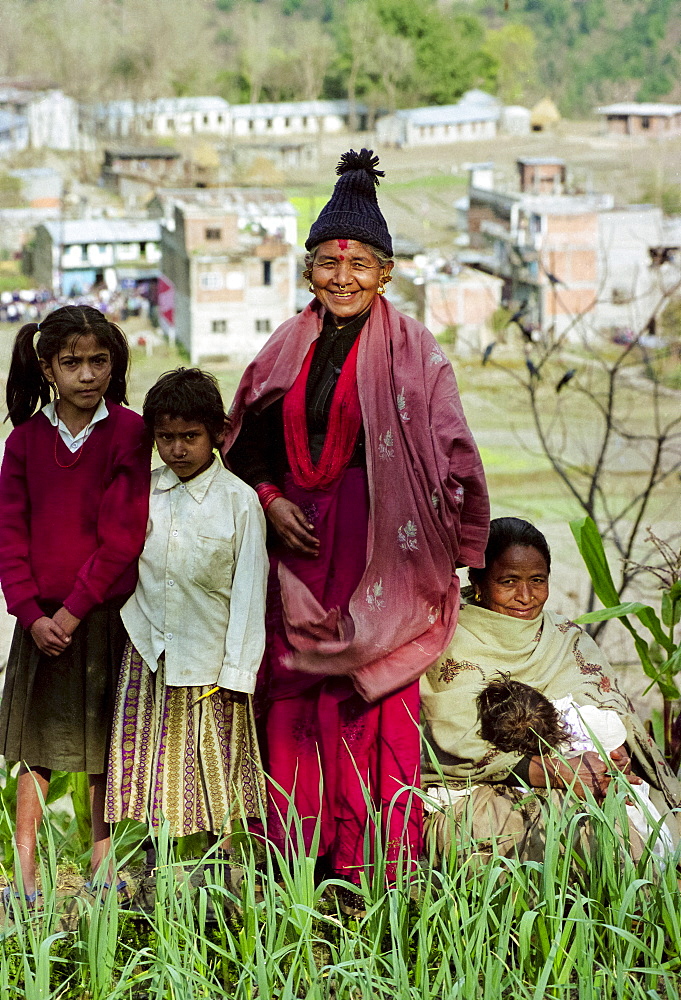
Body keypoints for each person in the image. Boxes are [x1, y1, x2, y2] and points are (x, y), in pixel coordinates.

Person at [225, 148, 489, 913]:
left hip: (387, 559)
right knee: (296, 697)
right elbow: (245, 442)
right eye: (326, 264)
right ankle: (296, 867)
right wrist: (271, 500)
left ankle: (377, 872)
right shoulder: (284, 347)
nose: (342, 278)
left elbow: (455, 454)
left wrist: (466, 551)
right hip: (302, 553)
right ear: (307, 271)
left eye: (358, 264)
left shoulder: (417, 356)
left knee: (375, 702)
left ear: (386, 273)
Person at [0, 305, 151, 906]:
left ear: (113, 365)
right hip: (40, 622)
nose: (87, 374)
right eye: (72, 363)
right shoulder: (26, 442)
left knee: (101, 746)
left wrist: (71, 611)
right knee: (34, 747)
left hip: (100, 619)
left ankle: (101, 857)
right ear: (47, 367)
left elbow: (123, 536)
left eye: (99, 361)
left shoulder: (129, 433)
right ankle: (25, 866)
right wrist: (31, 614)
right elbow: (10, 534)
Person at [421, 516, 681, 864]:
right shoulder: (447, 638)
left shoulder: (566, 638)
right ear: (478, 579)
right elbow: (454, 740)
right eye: (508, 581)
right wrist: (555, 771)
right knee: (569, 837)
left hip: (588, 777)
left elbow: (608, 712)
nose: (525, 596)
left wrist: (612, 760)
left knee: (632, 823)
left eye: (537, 581)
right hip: (481, 794)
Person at [105, 369, 267, 873]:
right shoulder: (143, 492)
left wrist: (237, 673)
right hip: (148, 647)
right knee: (152, 762)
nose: (177, 449)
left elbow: (249, 591)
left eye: (190, 437)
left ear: (217, 433)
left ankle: (222, 863)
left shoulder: (239, 501)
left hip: (210, 657)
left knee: (212, 762)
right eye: (165, 438)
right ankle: (157, 862)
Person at [477, 677, 673, 857]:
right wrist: (616, 755)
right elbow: (614, 732)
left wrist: (615, 760)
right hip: (615, 805)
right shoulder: (582, 717)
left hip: (610, 802)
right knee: (642, 841)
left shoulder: (570, 729)